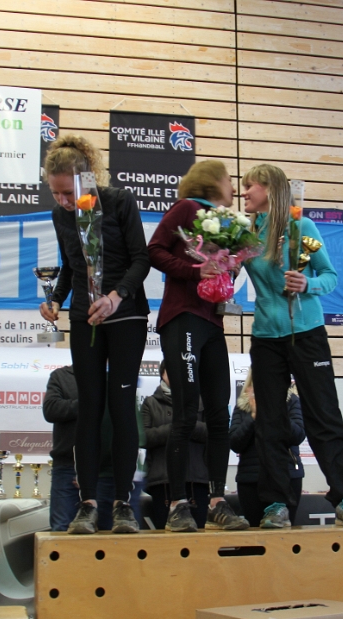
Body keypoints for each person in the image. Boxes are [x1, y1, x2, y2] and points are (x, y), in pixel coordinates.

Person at [240, 163, 343, 529]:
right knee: (269, 420)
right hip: (266, 337)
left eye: (250, 186)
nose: (243, 193)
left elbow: (330, 276)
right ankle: (276, 503)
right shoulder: (246, 235)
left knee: (322, 414)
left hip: (307, 333)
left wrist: (307, 284)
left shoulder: (301, 227)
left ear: (270, 190)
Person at [38, 135, 149, 535]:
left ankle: (122, 503)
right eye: (55, 194)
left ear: (85, 178)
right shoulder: (60, 215)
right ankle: (86, 503)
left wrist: (117, 297)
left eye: (68, 193)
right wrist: (55, 298)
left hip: (126, 315)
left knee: (121, 406)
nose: (63, 201)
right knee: (88, 407)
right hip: (85, 317)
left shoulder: (119, 201)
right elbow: (71, 266)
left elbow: (141, 259)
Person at [148, 160, 247, 532]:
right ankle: (177, 504)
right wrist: (195, 271)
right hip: (183, 317)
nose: (233, 186)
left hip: (212, 321)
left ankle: (217, 501)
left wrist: (230, 266)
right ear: (212, 182)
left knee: (219, 413)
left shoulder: (226, 223)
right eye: (229, 179)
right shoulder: (187, 208)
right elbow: (154, 250)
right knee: (186, 411)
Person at [42, 365, 113, 531]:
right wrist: (90, 403)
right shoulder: (61, 375)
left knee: (107, 533)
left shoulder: (114, 377)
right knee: (61, 530)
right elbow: (51, 409)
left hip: (105, 471)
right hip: (67, 466)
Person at [230, 372, 305, 528]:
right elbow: (235, 443)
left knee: (285, 534)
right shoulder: (243, 405)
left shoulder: (291, 401)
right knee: (255, 533)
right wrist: (253, 416)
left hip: (287, 477)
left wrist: (277, 409)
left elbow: (298, 435)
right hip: (251, 479)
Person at [142, 365, 210, 530]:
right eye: (170, 370)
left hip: (195, 477)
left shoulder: (201, 400)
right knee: (164, 535)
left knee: (199, 534)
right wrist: (174, 429)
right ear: (162, 374)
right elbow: (143, 437)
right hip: (162, 479)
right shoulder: (151, 403)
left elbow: (214, 433)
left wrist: (189, 426)